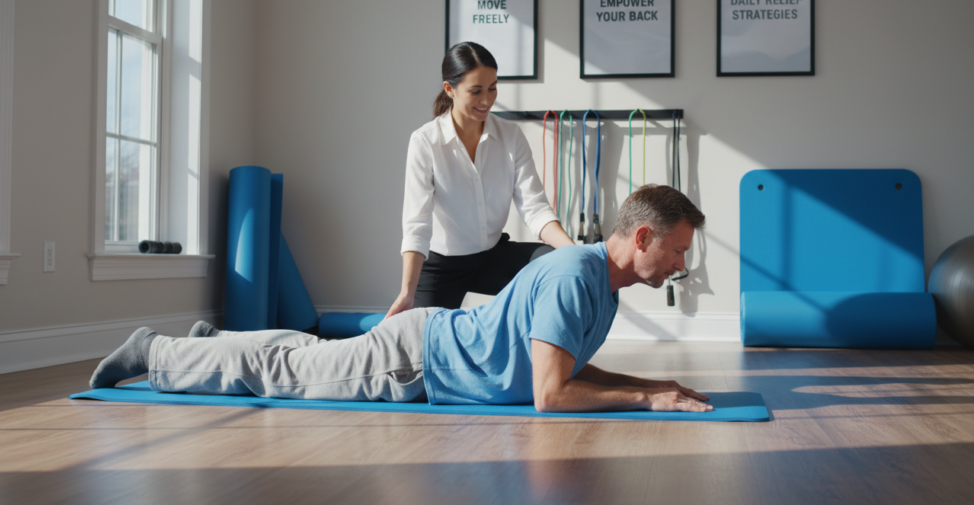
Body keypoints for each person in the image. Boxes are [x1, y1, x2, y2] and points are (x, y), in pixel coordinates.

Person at [90, 185, 711, 413]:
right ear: (642, 237)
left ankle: (215, 343)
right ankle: (157, 352)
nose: (682, 264)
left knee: (304, 354)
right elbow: (551, 397)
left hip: (428, 346)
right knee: (286, 374)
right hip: (415, 363)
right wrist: (644, 399)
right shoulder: (576, 276)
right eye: (678, 250)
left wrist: (649, 383)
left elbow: (563, 369)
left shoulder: (602, 282)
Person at [390, 41, 575, 319]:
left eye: (492, 88)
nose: (487, 100)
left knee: (558, 263)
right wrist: (407, 291)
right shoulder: (425, 142)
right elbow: (417, 225)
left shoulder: (511, 136)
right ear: (449, 89)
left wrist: (575, 254)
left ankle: (537, 342)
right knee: (421, 339)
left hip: (492, 257)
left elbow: (535, 209)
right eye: (476, 91)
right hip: (442, 266)